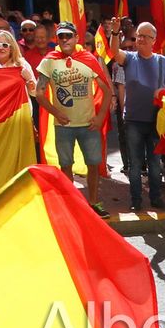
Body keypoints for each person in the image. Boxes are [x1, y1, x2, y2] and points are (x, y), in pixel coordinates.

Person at [38, 22, 113, 217]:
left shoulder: (87, 59)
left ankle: (94, 202)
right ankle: (71, 204)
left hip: (89, 124)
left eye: (68, 36)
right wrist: (55, 112)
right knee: (65, 166)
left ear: (76, 38)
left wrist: (100, 117)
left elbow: (106, 89)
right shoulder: (49, 61)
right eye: (61, 36)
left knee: (93, 164)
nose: (65, 40)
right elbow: (39, 93)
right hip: (63, 126)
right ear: (57, 39)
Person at [116, 22, 165, 212]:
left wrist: (163, 92)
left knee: (154, 164)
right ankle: (136, 200)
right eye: (137, 36)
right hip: (133, 120)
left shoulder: (161, 61)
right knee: (135, 164)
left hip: (155, 121)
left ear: (153, 41)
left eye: (144, 36)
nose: (140, 39)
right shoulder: (130, 58)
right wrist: (116, 32)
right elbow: (113, 52)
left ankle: (156, 198)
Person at [0, 28, 38, 96]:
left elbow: (35, 93)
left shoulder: (22, 64)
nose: (0, 48)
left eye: (5, 45)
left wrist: (29, 79)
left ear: (12, 48)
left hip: (19, 106)